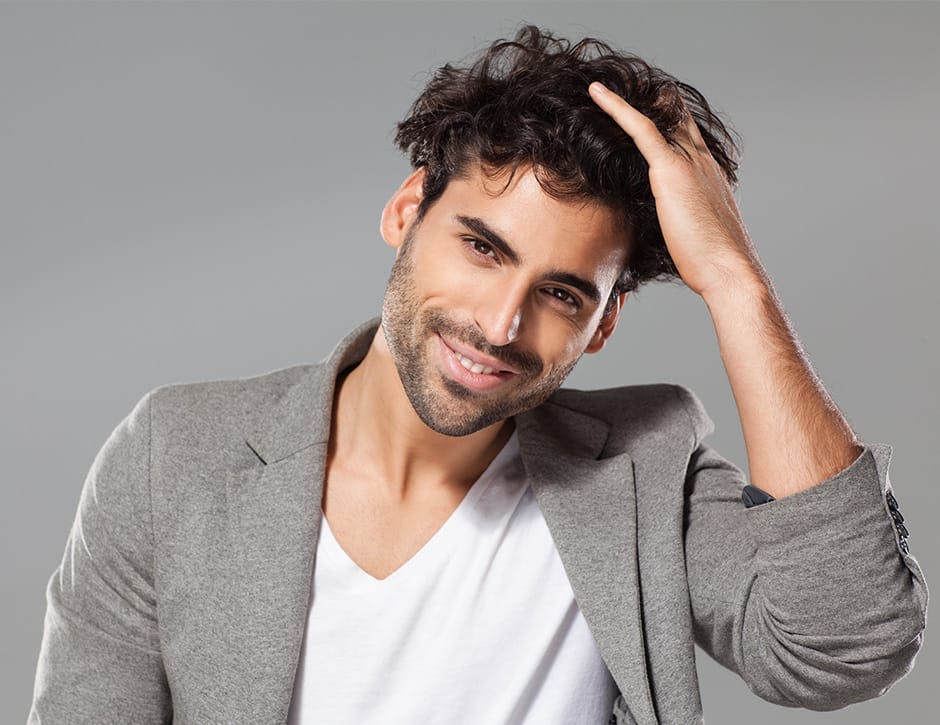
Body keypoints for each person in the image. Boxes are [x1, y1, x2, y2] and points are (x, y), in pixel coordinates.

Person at [28, 24, 927, 725]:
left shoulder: (641, 479)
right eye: (482, 248)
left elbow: (846, 641)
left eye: (564, 295)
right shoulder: (174, 456)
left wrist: (736, 282)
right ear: (406, 209)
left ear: (605, 323)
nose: (501, 325)